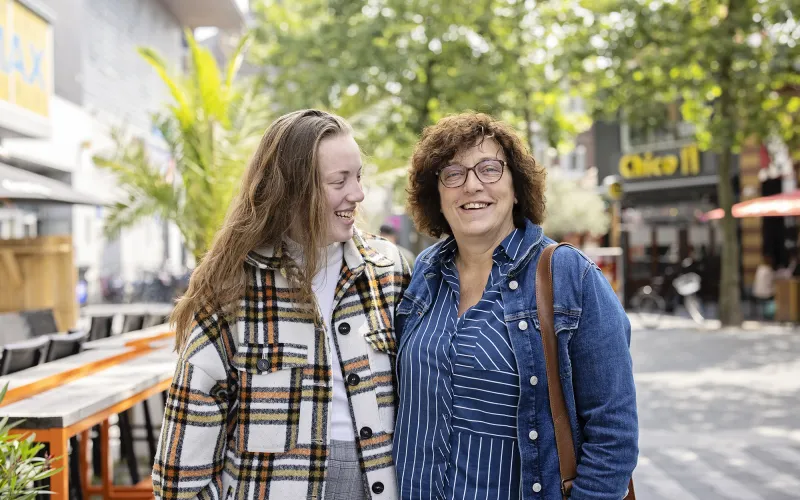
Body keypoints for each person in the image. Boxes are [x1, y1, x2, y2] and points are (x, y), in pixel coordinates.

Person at [153, 109, 411, 500]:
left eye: (358, 176)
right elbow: (184, 455)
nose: (357, 194)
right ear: (292, 191)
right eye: (338, 181)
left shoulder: (389, 270)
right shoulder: (233, 287)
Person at [393, 113, 638, 499]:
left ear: (517, 186)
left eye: (489, 169)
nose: (472, 185)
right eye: (452, 174)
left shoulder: (569, 276)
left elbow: (613, 435)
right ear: (436, 194)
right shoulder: (426, 273)